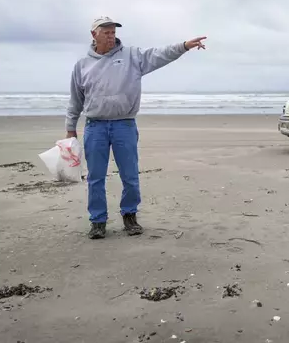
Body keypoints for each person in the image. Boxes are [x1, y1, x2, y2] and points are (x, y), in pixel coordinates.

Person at [65, 16, 207, 239]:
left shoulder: (132, 56)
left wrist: (183, 46)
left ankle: (130, 216)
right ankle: (98, 221)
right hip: (95, 127)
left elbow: (158, 55)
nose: (111, 36)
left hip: (124, 125)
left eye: (113, 32)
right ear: (94, 35)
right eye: (106, 32)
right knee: (95, 177)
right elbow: (76, 99)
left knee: (130, 175)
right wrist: (70, 127)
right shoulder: (82, 65)